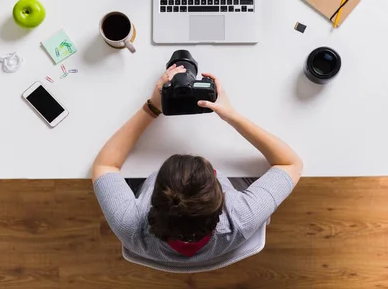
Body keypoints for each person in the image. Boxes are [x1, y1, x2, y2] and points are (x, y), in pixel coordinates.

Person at [92, 65, 302, 266]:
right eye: (210, 169)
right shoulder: (240, 218)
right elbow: (291, 163)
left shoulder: (129, 225)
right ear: (221, 201)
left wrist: (152, 107)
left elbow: (105, 165)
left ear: (153, 197)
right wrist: (231, 115)